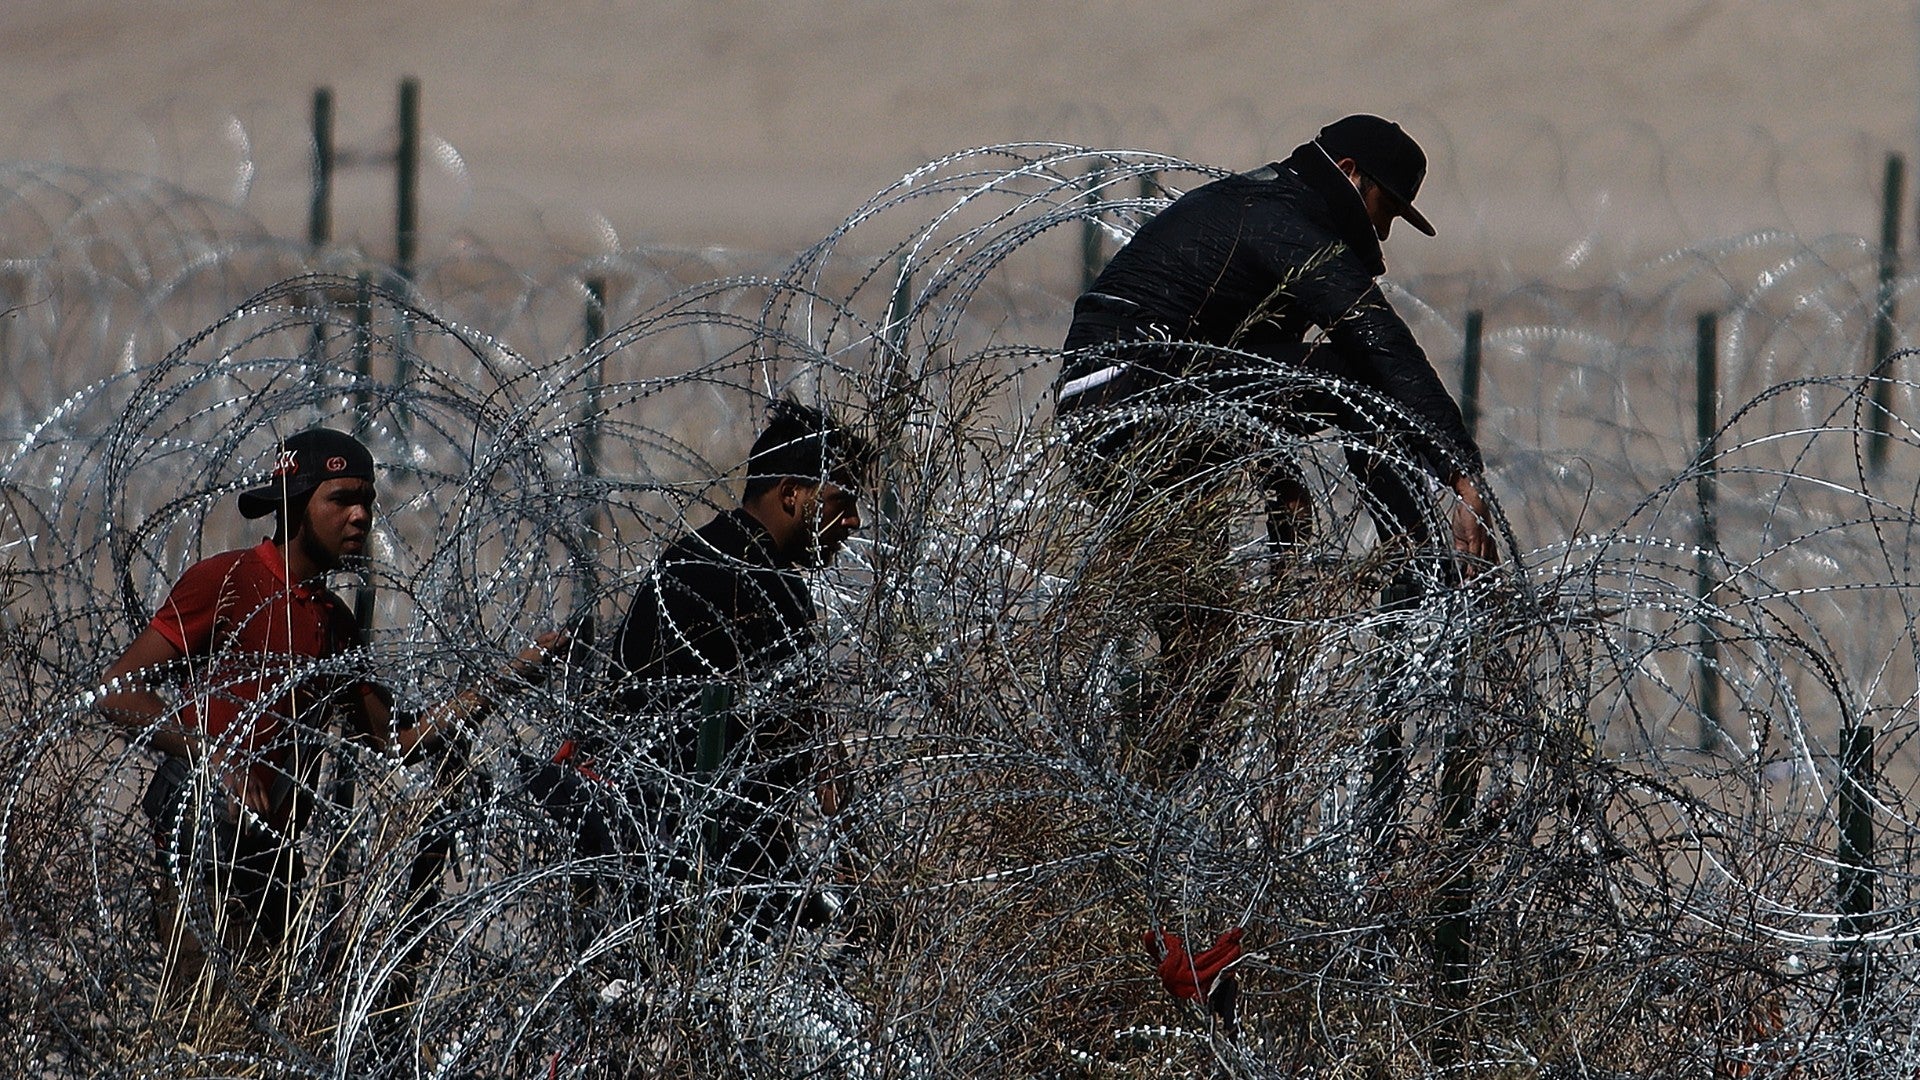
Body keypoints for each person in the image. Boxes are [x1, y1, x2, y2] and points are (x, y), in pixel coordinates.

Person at [1055, 114, 1497, 778]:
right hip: (1134, 398)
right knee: (1353, 376)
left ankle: (1129, 805)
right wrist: (1464, 476)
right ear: (1349, 174)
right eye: (1385, 209)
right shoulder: (1280, 219)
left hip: (1121, 409)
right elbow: (1377, 342)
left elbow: (1239, 362)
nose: (1381, 231)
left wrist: (1276, 474)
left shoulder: (1265, 209)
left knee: (1205, 654)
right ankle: (1416, 561)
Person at [98, 427, 557, 987]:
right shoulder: (227, 582)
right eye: (341, 499)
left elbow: (395, 741)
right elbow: (118, 689)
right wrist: (214, 758)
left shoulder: (334, 623)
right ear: (294, 504)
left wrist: (509, 676)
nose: (361, 516)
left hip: (276, 863)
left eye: (367, 500)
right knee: (210, 1030)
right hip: (205, 852)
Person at [533, 397, 874, 942]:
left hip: (645, 840)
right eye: (842, 499)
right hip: (697, 864)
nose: (854, 522)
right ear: (792, 494)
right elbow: (810, 744)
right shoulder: (766, 587)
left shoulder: (696, 554)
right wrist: (858, 869)